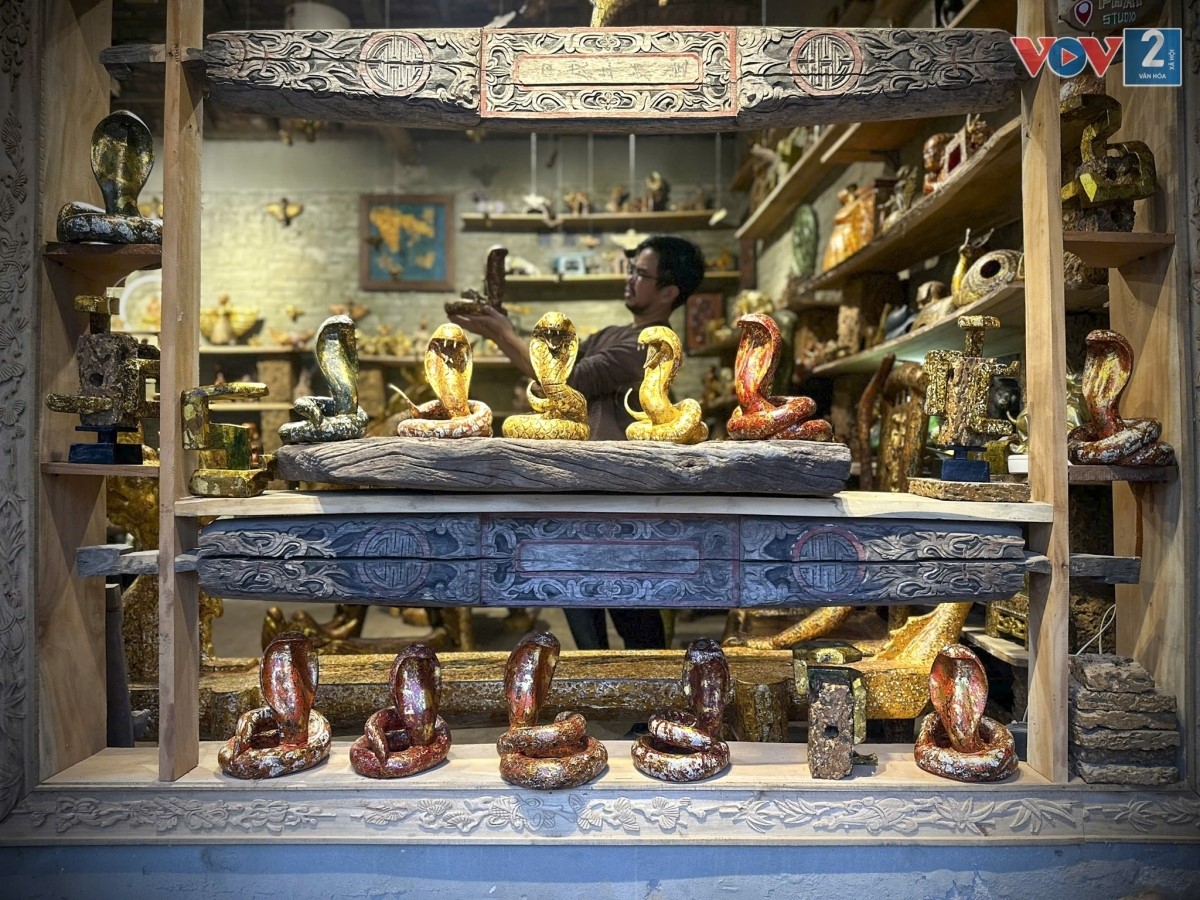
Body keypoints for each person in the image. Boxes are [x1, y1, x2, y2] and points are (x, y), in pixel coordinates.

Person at [450, 235, 706, 650]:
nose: (629, 279)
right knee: (573, 587)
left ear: (668, 292)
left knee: (629, 603)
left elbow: (563, 381)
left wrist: (502, 334)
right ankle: (598, 675)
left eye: (640, 274)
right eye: (631, 270)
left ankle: (650, 685)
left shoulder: (649, 347)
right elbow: (552, 366)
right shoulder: (614, 333)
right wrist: (504, 325)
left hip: (619, 491)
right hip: (579, 481)